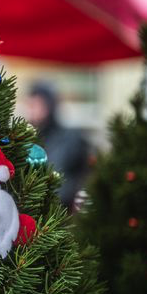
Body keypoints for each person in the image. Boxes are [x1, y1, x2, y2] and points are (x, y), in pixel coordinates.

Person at [25, 81, 90, 210]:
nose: (34, 110)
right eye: (31, 104)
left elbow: (82, 175)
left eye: (39, 104)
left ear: (50, 106)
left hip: (63, 209)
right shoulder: (25, 139)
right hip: (30, 209)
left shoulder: (71, 138)